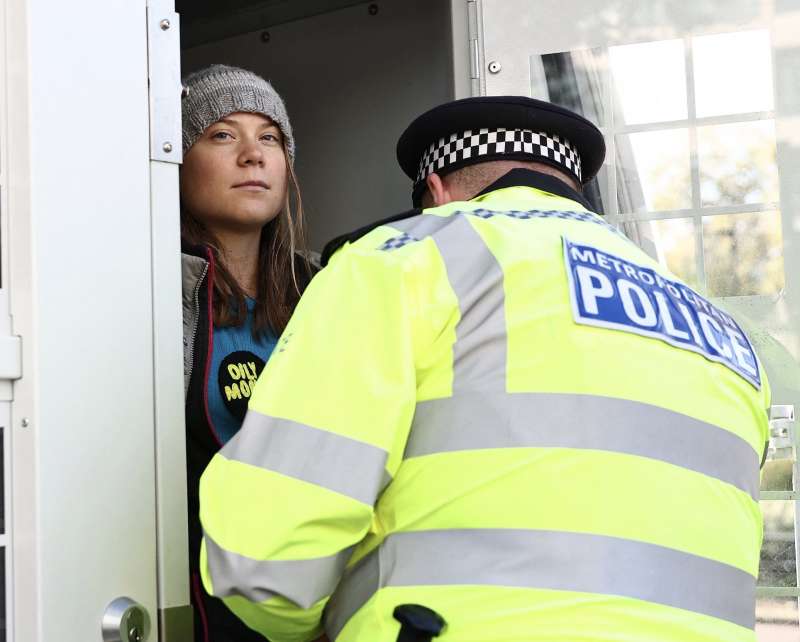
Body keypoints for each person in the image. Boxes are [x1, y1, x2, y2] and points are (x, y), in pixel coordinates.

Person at [197, 96, 770, 642]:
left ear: (437, 192)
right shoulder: (721, 331)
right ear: (574, 190)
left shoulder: (403, 261)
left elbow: (265, 560)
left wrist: (291, 627)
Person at [179, 64, 314, 642]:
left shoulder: (328, 291)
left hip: (304, 599)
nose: (253, 155)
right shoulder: (150, 295)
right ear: (175, 159)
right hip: (187, 599)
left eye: (270, 138)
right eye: (222, 134)